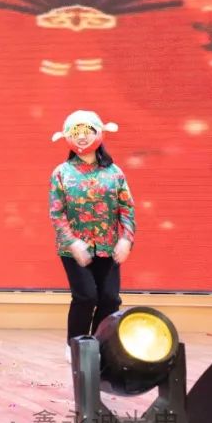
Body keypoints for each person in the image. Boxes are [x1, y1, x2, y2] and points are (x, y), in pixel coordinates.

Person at [49, 110, 135, 360]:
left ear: (99, 133)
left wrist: (126, 239)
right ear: (67, 137)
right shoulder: (61, 173)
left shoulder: (115, 172)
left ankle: (97, 344)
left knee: (110, 299)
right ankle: (75, 345)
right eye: (75, 132)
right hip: (74, 248)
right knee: (86, 296)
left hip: (108, 245)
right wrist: (72, 242)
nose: (81, 137)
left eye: (87, 131)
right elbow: (56, 213)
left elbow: (127, 207)